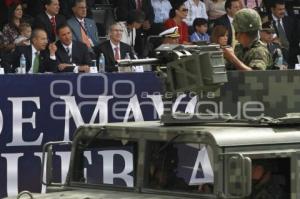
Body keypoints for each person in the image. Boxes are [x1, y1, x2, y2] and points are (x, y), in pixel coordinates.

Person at [270, 0, 300, 69]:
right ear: (272, 10)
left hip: (293, 61)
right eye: (280, 9)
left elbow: (296, 41)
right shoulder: (267, 22)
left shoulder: (292, 21)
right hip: (276, 62)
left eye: (284, 9)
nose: (283, 11)